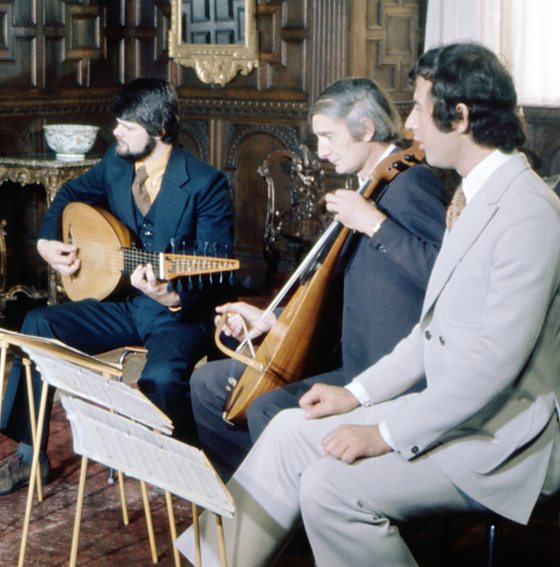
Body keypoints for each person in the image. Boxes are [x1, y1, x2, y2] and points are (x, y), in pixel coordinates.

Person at [181, 42, 560, 567]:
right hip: (451, 410)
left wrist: (381, 433)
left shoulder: (529, 212)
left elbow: (492, 369)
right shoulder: (474, 197)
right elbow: (429, 334)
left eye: (421, 110)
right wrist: (353, 395)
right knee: (290, 429)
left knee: (330, 488)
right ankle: (216, 561)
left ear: (462, 118)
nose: (409, 126)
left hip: (499, 436)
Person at [0, 77, 235, 497]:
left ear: (161, 130)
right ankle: (29, 455)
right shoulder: (116, 163)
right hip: (123, 303)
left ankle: (183, 468)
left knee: (164, 376)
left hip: (176, 314)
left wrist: (171, 295)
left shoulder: (206, 184)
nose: (116, 132)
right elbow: (70, 194)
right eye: (118, 123)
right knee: (37, 324)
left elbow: (216, 271)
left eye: (128, 126)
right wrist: (46, 241)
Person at [190, 77, 446, 479]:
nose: (321, 150)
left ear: (365, 129)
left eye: (328, 136)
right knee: (207, 383)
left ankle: (282, 513)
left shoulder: (410, 182)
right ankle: (252, 503)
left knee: (267, 407)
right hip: (336, 351)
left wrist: (375, 225)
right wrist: (274, 324)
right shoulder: (369, 185)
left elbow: (443, 272)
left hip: (380, 369)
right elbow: (338, 294)